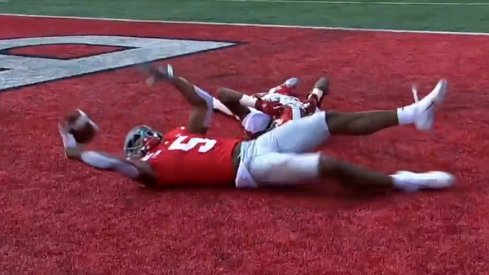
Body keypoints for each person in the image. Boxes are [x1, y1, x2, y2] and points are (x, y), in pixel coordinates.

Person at [58, 63, 455, 192]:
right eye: (137, 141)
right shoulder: (150, 171)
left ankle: (412, 112)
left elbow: (200, 101)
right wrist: (73, 151)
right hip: (247, 171)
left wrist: (169, 78)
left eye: (142, 135)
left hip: (254, 146)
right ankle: (402, 181)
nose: (143, 140)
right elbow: (110, 163)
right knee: (326, 167)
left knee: (329, 121)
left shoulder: (179, 136)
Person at [213, 77, 328, 139]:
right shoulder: (311, 109)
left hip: (269, 103)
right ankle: (285, 87)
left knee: (252, 120)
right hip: (273, 101)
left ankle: (285, 86)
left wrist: (259, 104)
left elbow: (223, 94)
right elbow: (323, 81)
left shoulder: (258, 122)